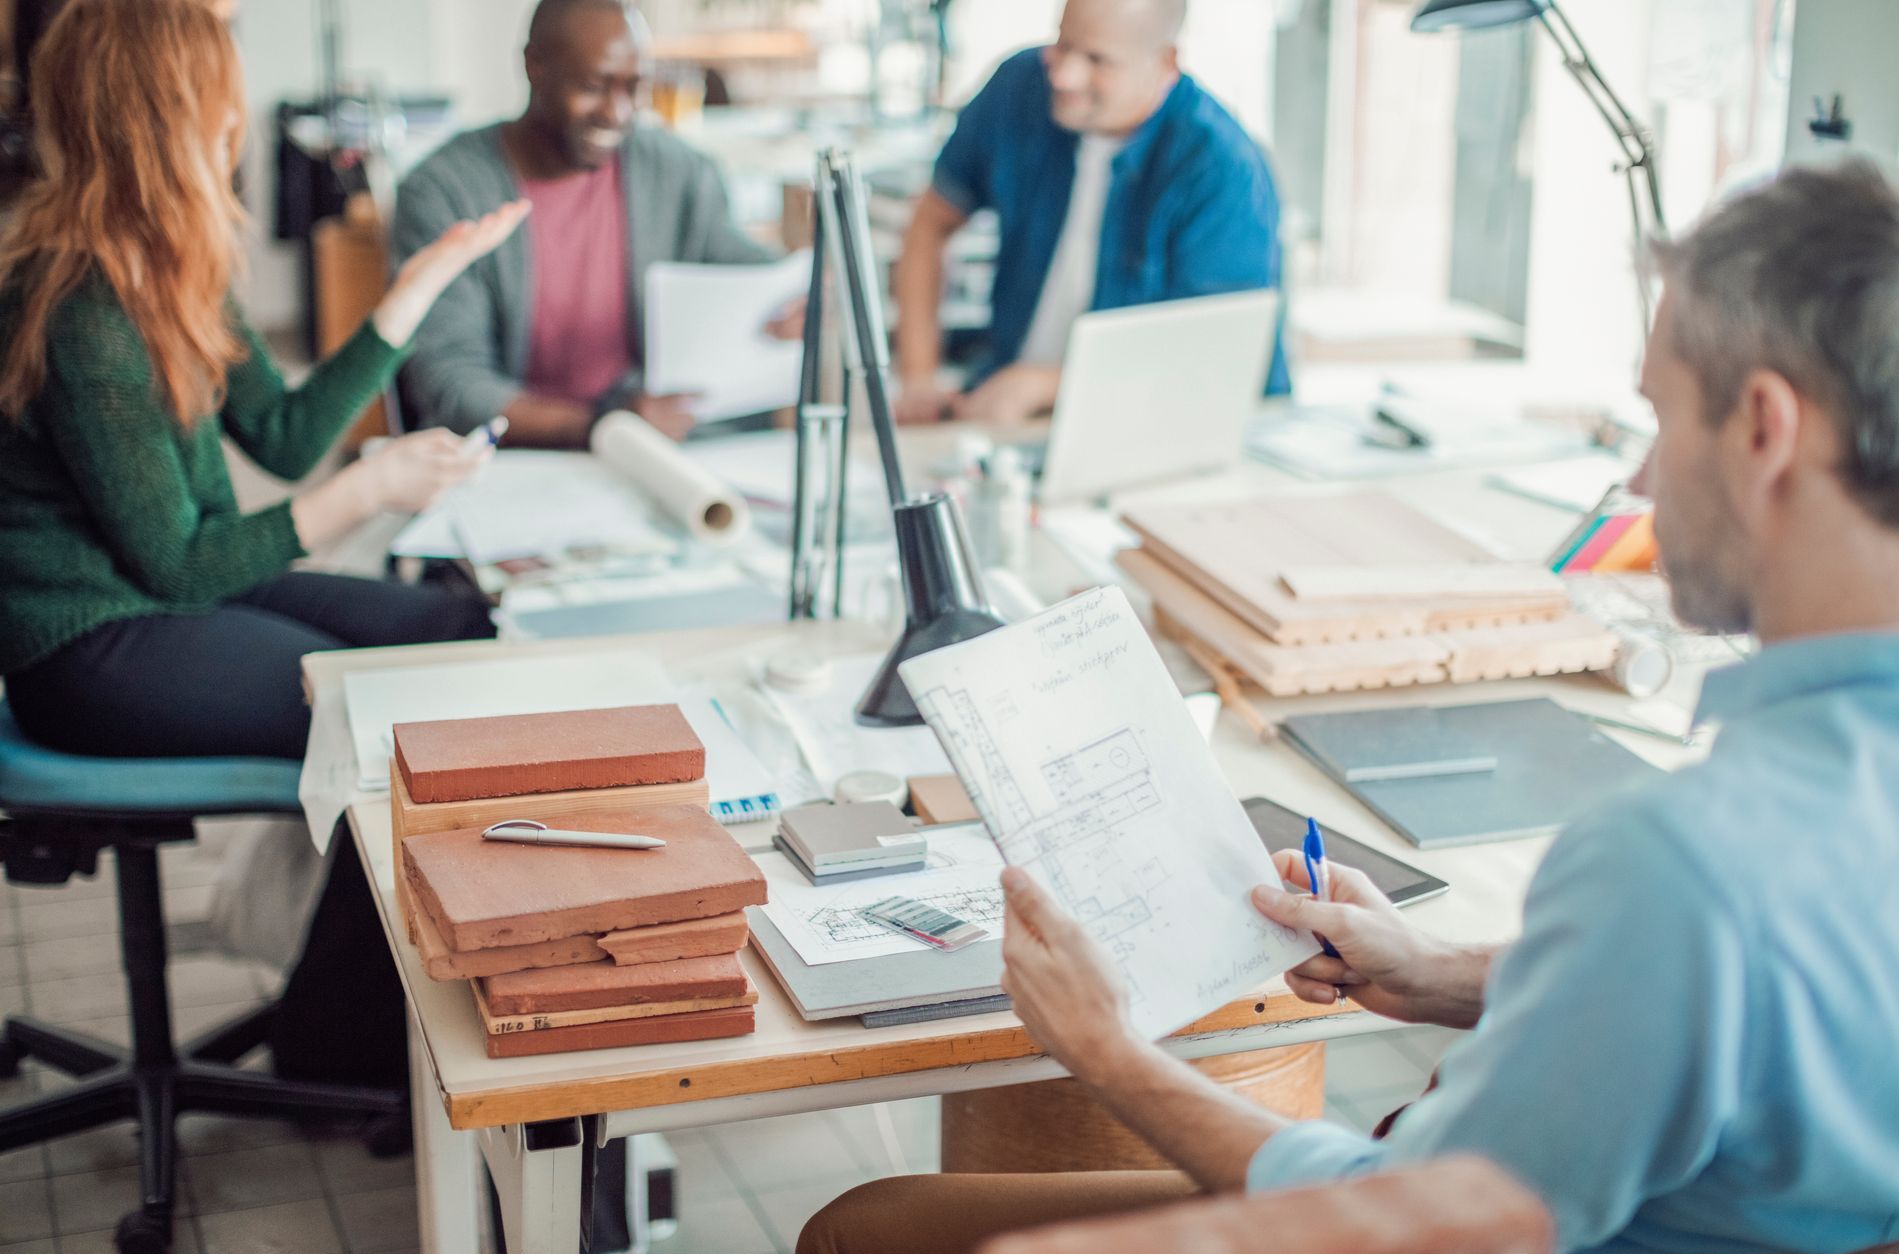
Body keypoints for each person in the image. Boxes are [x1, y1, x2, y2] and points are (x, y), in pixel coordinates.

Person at [798, 160, 1899, 1254]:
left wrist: (1108, 1048)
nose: (1637, 476)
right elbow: (1754, 1009)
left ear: (1766, 426)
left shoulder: (1682, 865)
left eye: (1659, 416)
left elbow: (1404, 1229)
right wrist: (1442, 969)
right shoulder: (1770, 851)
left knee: (863, 1235)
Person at [0, 0, 526, 1086]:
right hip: (86, 648)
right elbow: (181, 562)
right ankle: (342, 1042)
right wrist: (370, 487)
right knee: (404, 717)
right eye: (221, 102)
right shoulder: (79, 303)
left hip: (153, 599)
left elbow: (283, 440)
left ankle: (359, 1016)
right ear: (167, 117)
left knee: (458, 627)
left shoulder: (169, 257)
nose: (237, 126)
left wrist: (414, 290)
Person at [393, 0, 798, 447]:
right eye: (593, 86)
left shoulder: (678, 172)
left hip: (661, 452)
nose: (617, 113)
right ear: (534, 66)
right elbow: (451, 384)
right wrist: (601, 426)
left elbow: (738, 266)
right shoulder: (443, 191)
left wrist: (797, 297)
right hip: (517, 457)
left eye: (633, 88)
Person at [893, 0, 1289, 427]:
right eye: (1063, 44)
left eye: (1098, 60)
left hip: (1157, 424)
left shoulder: (1222, 168)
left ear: (1166, 62)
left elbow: (1213, 358)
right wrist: (919, 378)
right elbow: (931, 222)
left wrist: (1041, 384)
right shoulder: (1017, 88)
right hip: (1010, 414)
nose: (1064, 75)